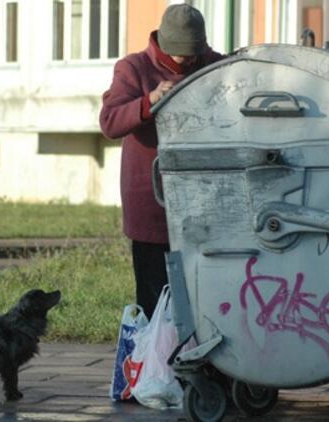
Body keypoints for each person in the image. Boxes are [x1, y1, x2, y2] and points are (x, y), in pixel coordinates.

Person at [99, 4, 225, 317]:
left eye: (195, 53)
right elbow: (110, 122)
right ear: (164, 44)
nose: (190, 61)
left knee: (205, 299)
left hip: (204, 205)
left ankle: (203, 362)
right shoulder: (133, 68)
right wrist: (149, 101)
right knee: (155, 299)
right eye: (183, 56)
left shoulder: (212, 64)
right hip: (151, 202)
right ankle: (156, 362)